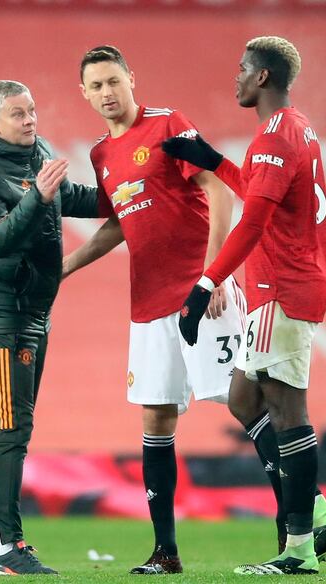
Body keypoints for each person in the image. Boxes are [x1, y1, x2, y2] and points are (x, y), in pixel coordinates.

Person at [163, 36, 326, 575]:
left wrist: (204, 285)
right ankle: (314, 507)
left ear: (263, 77)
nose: (236, 76)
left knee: (289, 413)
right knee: (244, 397)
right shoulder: (294, 128)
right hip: (286, 285)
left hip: (282, 289)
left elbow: (254, 222)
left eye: (242, 68)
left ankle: (299, 548)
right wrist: (215, 161)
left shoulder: (274, 137)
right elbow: (263, 194)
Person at [62, 45, 242, 574]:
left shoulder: (169, 126)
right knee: (156, 417)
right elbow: (119, 223)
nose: (106, 93)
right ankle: (166, 552)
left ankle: (300, 528)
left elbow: (221, 188)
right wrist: (65, 266)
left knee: (246, 400)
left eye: (113, 81)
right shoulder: (100, 156)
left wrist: (216, 275)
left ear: (131, 79)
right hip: (148, 304)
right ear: (85, 94)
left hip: (199, 291)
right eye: (95, 86)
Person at [0, 80, 103, 576]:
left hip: (32, 309)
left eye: (33, 109)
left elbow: (70, 198)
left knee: (2, 426)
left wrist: (131, 197)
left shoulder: (38, 155)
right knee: (14, 429)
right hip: (2, 315)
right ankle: (7, 547)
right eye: (19, 114)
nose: (31, 119)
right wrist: (36, 196)